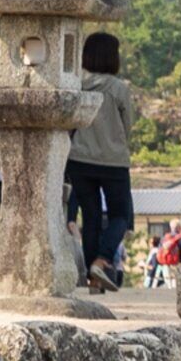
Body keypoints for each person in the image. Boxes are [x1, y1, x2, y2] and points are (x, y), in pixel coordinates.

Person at [66, 32, 139, 291]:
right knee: (121, 215)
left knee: (91, 218)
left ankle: (94, 278)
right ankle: (103, 259)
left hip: (79, 159)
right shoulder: (119, 88)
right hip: (113, 160)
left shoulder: (76, 85)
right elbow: (128, 125)